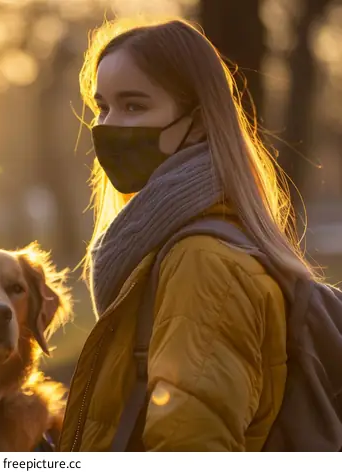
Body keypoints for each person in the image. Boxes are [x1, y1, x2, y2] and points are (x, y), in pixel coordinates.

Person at [57, 18, 318, 452]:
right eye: (102, 107)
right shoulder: (169, 246)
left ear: (197, 122)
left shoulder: (205, 263)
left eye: (135, 106)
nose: (108, 125)